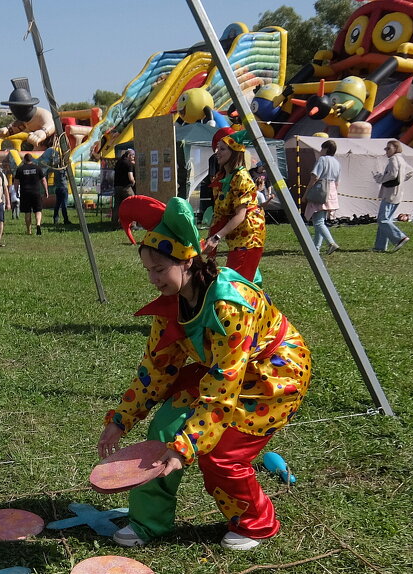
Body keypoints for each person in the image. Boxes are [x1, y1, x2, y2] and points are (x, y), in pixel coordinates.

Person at [100, 195, 311, 550]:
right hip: (220, 367)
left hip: (273, 374)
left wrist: (186, 446)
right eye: (148, 270)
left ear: (186, 261)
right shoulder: (170, 304)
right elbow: (156, 368)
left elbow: (222, 388)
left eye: (159, 270)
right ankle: (149, 521)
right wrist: (120, 420)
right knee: (163, 429)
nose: (152, 279)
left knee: (221, 455)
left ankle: (256, 523)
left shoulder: (229, 304)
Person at [203, 128, 266, 281]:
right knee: (238, 280)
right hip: (237, 238)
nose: (217, 152)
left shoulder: (241, 177)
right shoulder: (223, 177)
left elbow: (240, 215)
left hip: (249, 237)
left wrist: (216, 237)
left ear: (235, 151)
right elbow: (220, 212)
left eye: (222, 149)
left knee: (237, 283)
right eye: (217, 148)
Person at [303, 139, 341, 255]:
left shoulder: (322, 160)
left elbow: (314, 177)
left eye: (322, 148)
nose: (320, 151)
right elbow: (337, 181)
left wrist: (306, 193)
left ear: (326, 149)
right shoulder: (337, 162)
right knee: (320, 221)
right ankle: (316, 248)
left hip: (321, 191)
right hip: (331, 191)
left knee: (318, 222)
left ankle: (331, 243)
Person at [373, 139, 411, 252]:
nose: (386, 151)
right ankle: (380, 246)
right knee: (386, 219)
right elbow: (411, 172)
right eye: (386, 148)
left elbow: (393, 174)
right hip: (398, 193)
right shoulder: (401, 160)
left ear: (396, 148)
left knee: (382, 220)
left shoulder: (394, 159)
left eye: (389, 148)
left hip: (390, 193)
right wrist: (401, 179)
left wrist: (381, 179)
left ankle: (400, 238)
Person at [13, 154, 48, 235]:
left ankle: (29, 230)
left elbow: (16, 182)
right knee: (38, 210)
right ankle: (38, 224)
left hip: (25, 192)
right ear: (32, 159)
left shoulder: (20, 169)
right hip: (36, 192)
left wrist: (16, 191)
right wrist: (46, 190)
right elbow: (43, 180)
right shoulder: (37, 168)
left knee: (27, 211)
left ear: (24, 159)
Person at [112, 148, 136, 224]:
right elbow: (130, 177)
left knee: (117, 205)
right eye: (133, 156)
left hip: (117, 187)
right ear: (129, 155)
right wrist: (133, 182)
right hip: (126, 187)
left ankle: (115, 222)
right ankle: (132, 224)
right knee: (133, 203)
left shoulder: (118, 162)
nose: (133, 157)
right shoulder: (128, 164)